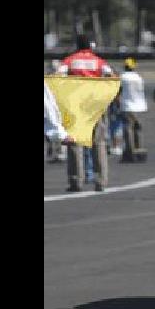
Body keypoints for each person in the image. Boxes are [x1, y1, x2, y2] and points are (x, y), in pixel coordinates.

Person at [57, 34, 114, 192]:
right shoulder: (98, 61)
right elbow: (111, 75)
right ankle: (101, 181)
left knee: (75, 144)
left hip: (77, 105)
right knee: (99, 143)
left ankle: (76, 181)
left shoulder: (70, 60)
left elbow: (59, 74)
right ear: (90, 45)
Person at [118, 57, 148, 163]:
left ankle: (130, 153)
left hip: (128, 106)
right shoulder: (138, 77)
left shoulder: (122, 77)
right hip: (140, 106)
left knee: (128, 130)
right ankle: (140, 150)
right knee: (138, 129)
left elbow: (118, 91)